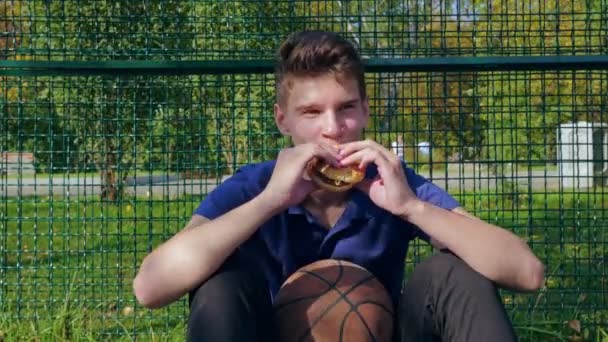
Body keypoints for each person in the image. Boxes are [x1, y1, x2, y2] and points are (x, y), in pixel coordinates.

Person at [133, 30, 545, 342]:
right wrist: (269, 202)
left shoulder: (391, 181)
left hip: (381, 331)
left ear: (365, 111)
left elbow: (528, 273)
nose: (332, 129)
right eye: (311, 112)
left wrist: (411, 208)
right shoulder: (257, 184)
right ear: (283, 120)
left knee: (451, 271)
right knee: (221, 285)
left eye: (346, 108)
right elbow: (150, 286)